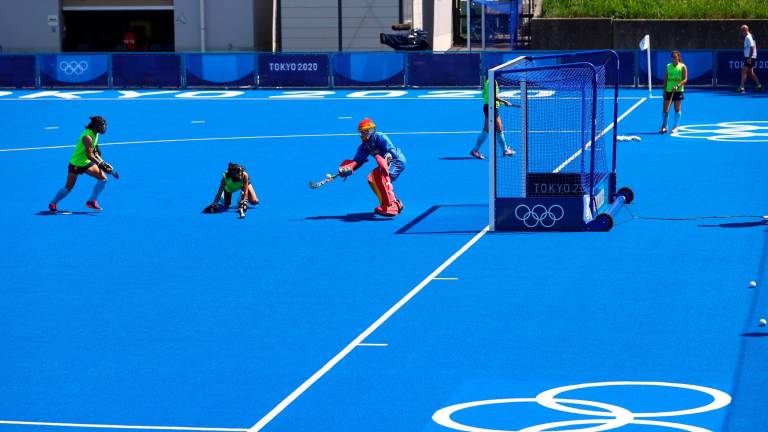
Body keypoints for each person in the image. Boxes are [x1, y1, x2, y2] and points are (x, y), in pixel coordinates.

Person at [338, 118, 405, 217]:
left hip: (396, 161)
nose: (363, 134)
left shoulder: (380, 136)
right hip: (383, 164)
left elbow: (391, 151)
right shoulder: (364, 147)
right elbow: (357, 161)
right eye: (362, 132)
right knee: (372, 178)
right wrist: (348, 168)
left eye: (366, 131)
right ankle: (389, 204)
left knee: (382, 178)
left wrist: (387, 160)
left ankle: (392, 206)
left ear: (372, 130)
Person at [48, 116, 116, 212]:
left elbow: (96, 151)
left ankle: (91, 202)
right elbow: (89, 155)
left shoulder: (95, 134)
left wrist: (103, 163)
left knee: (103, 179)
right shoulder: (87, 137)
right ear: (96, 126)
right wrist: (101, 164)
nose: (104, 128)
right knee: (68, 187)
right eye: (102, 126)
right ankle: (53, 203)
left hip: (86, 163)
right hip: (76, 163)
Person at [470, 76, 515, 159]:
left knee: (492, 129)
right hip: (492, 108)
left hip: (488, 106)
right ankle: (505, 151)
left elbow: (485, 95)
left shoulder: (487, 81)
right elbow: (493, 96)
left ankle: (476, 150)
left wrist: (499, 103)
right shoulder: (493, 82)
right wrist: (504, 101)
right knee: (498, 129)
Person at [659, 50, 688, 134]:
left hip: (678, 91)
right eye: (672, 57)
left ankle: (675, 127)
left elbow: (685, 79)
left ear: (679, 57)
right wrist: (664, 90)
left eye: (675, 57)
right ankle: (664, 126)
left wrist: (677, 86)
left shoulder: (683, 66)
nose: (674, 59)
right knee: (665, 109)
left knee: (677, 109)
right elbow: (666, 79)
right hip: (668, 91)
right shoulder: (668, 66)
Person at [737, 25, 763, 93]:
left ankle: (741, 88)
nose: (741, 33)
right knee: (750, 72)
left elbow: (752, 47)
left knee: (744, 71)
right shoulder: (750, 36)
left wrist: (749, 57)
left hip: (750, 57)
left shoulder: (748, 37)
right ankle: (759, 85)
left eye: (742, 31)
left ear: (745, 30)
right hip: (751, 56)